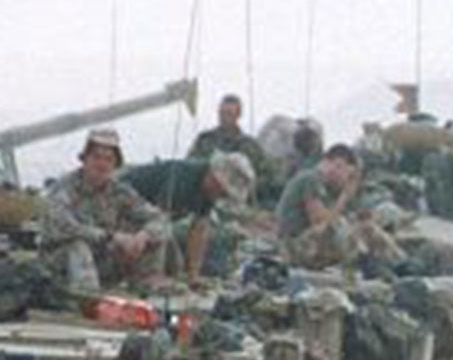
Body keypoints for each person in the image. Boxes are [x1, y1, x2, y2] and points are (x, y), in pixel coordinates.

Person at [37, 127, 170, 295]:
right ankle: (85, 299)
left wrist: (141, 237)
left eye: (108, 159)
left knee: (154, 235)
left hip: (103, 261)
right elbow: (62, 227)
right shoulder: (64, 188)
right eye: (96, 157)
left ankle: (145, 291)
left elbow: (159, 218)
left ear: (115, 164)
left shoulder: (120, 191)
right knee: (78, 246)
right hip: (61, 264)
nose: (102, 164)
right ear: (85, 159)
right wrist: (111, 237)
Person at [122, 151, 256, 280]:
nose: (220, 197)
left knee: (177, 265)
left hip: (152, 223)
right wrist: (156, 272)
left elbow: (199, 230)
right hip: (125, 211)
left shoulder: (208, 192)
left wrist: (194, 275)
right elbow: (157, 223)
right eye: (222, 191)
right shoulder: (182, 177)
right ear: (214, 176)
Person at [275, 145, 396, 270]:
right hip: (294, 247)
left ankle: (391, 263)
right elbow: (321, 222)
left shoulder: (324, 186)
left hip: (303, 244)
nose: (346, 179)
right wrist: (344, 196)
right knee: (349, 227)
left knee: (365, 227)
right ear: (335, 164)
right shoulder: (311, 179)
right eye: (347, 174)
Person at [190, 93, 276, 188]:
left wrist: (247, 185)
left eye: (229, 113)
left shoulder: (249, 145)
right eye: (222, 113)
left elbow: (268, 175)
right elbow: (191, 166)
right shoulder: (205, 141)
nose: (223, 117)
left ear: (238, 115)